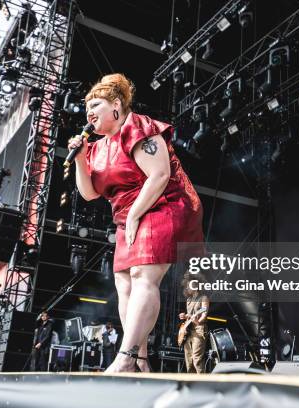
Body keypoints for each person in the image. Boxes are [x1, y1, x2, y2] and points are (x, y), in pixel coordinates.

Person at [67, 73, 204, 372]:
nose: (89, 111)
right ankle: (139, 360)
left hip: (163, 203)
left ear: (116, 106)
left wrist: (133, 215)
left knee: (143, 275)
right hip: (127, 215)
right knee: (124, 284)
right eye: (87, 106)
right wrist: (79, 159)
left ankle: (125, 356)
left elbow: (160, 175)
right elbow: (90, 193)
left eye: (97, 104)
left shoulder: (137, 127)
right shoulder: (98, 148)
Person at [179, 283, 209, 373]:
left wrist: (198, 321)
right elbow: (190, 316)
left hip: (199, 329)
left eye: (188, 287)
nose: (187, 288)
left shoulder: (204, 298)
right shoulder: (189, 300)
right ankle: (191, 383)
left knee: (197, 359)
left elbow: (204, 313)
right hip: (188, 330)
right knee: (189, 360)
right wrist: (184, 316)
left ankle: (201, 382)